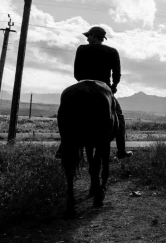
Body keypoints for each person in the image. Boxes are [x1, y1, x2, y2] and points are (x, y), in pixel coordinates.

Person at [56, 26, 132, 160]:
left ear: (95, 36)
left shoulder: (81, 49)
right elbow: (117, 74)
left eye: (89, 35)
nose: (87, 38)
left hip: (82, 84)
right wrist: (113, 86)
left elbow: (76, 73)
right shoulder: (112, 51)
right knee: (119, 118)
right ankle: (121, 151)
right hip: (104, 88)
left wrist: (83, 82)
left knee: (66, 115)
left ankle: (63, 146)